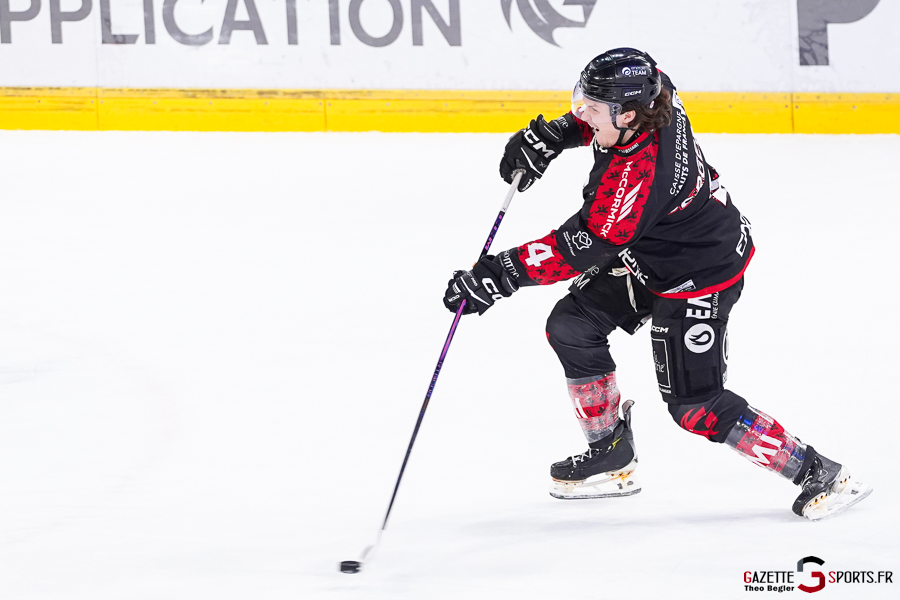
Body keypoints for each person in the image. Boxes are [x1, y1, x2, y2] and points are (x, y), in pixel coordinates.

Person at [442, 48, 871, 520]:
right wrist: (559, 133)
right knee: (572, 326)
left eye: (592, 110)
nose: (582, 112)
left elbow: (579, 247)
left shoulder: (638, 177)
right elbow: (607, 115)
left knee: (695, 406)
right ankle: (611, 456)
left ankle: (820, 472)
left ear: (628, 114)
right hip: (654, 249)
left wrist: (498, 274)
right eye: (580, 101)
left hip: (699, 275)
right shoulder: (655, 89)